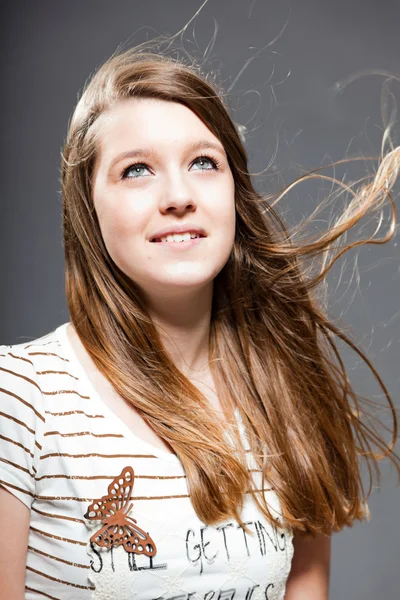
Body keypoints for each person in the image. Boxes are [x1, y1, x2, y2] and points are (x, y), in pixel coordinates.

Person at [0, 39, 399, 600]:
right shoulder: (20, 396)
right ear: (87, 209)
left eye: (203, 162)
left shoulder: (283, 394)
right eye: (136, 170)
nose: (178, 195)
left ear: (234, 190)